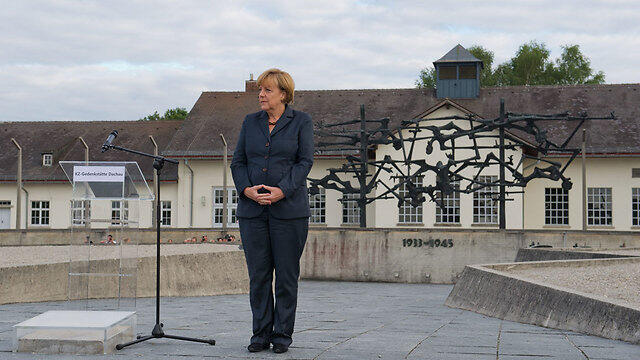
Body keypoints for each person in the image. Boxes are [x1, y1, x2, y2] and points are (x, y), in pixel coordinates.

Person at [231, 68, 314, 354]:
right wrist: (246, 190)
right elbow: (238, 163)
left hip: (289, 212)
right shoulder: (249, 122)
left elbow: (304, 163)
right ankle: (260, 334)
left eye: (267, 90)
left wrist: (282, 190)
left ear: (283, 93)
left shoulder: (301, 121)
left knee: (287, 276)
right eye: (260, 90)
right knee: (259, 276)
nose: (261, 95)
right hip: (252, 212)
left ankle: (281, 335)